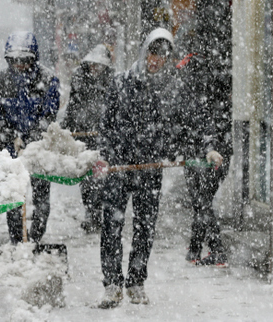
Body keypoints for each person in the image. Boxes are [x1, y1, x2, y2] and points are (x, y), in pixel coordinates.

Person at [96, 28, 178, 308]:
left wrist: (173, 149)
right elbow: (105, 127)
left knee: (145, 228)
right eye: (153, 54)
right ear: (144, 52)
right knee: (111, 226)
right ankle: (112, 284)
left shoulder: (169, 89)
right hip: (118, 167)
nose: (156, 60)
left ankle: (136, 282)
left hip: (150, 170)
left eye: (162, 56)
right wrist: (106, 156)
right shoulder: (120, 83)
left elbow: (176, 129)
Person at [0, 31, 60, 244]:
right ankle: (17, 239)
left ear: (33, 58)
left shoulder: (47, 80)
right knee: (13, 195)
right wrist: (8, 133)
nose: (19, 64)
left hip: (39, 149)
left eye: (24, 60)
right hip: (10, 149)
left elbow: (49, 113)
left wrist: (33, 136)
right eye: (15, 60)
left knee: (41, 195)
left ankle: (35, 237)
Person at [175, 52, 232, 268]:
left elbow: (203, 129)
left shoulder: (196, 96)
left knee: (202, 203)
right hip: (206, 156)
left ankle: (217, 251)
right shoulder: (210, 92)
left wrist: (208, 149)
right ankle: (195, 250)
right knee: (201, 203)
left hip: (206, 158)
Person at [60, 44, 114, 234]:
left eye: (99, 66)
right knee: (86, 176)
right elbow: (73, 106)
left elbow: (115, 109)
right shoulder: (80, 79)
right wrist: (67, 129)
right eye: (92, 65)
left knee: (102, 176)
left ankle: (102, 213)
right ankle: (91, 212)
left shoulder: (112, 82)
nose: (95, 69)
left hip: (103, 135)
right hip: (84, 134)